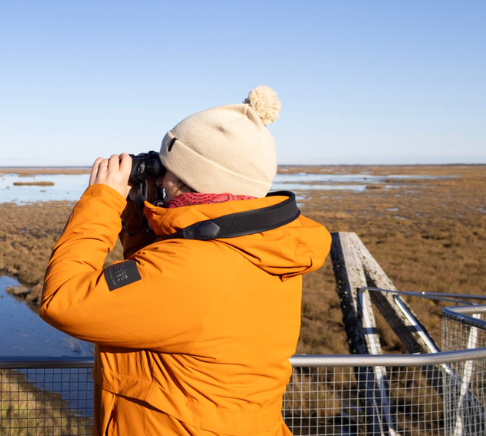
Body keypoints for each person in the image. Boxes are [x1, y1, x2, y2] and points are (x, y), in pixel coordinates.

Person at [39, 87, 331, 436]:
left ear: (198, 178)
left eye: (168, 171)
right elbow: (155, 295)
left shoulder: (196, 267)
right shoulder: (256, 246)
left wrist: (102, 202)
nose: (159, 179)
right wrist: (137, 219)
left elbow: (63, 301)